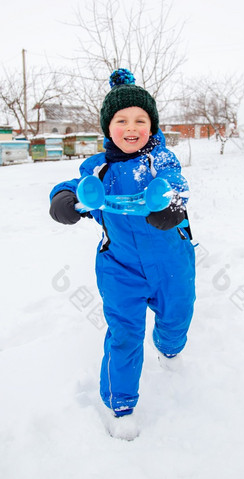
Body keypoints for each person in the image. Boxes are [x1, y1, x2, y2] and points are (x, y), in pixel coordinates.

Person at [49, 68, 196, 440]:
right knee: (124, 334)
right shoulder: (98, 168)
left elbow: (176, 187)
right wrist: (64, 200)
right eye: (121, 120)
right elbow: (73, 187)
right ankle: (121, 404)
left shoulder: (160, 161)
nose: (132, 128)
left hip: (171, 263)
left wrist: (170, 207)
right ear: (108, 127)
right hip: (120, 269)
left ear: (152, 125)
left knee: (177, 316)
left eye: (140, 120)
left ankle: (169, 345)